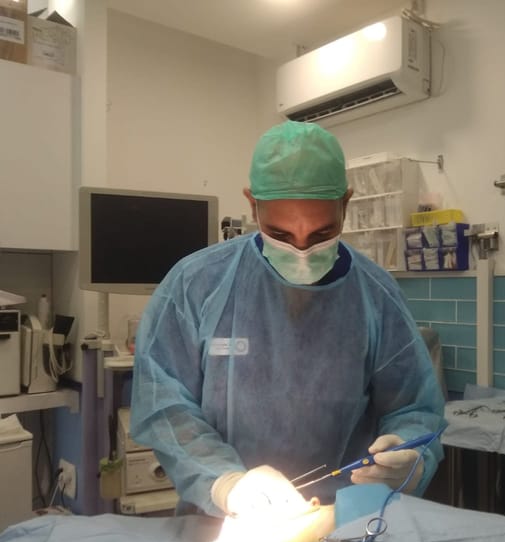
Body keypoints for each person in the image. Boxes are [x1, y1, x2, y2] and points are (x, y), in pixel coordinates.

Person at [130, 120, 446, 518]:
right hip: (226, 519)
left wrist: (406, 450)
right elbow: (166, 406)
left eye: (321, 234)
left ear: (346, 203)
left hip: (342, 523)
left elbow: (413, 406)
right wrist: (226, 483)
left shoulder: (376, 295)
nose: (301, 253)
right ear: (252, 205)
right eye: (280, 235)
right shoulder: (197, 284)